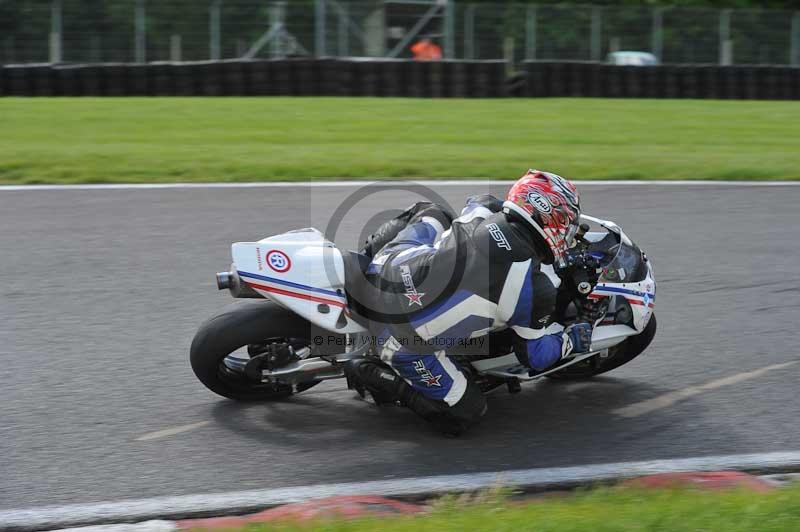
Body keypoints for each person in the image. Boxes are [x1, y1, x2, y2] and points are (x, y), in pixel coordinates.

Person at [344, 170, 594, 435]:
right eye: (566, 222)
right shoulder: (536, 288)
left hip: (389, 264)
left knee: (432, 211)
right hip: (399, 337)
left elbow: (479, 199)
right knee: (466, 411)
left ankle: (362, 261)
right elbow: (535, 356)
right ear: (549, 218)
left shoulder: (483, 210)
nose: (568, 231)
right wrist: (570, 342)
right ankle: (367, 370)